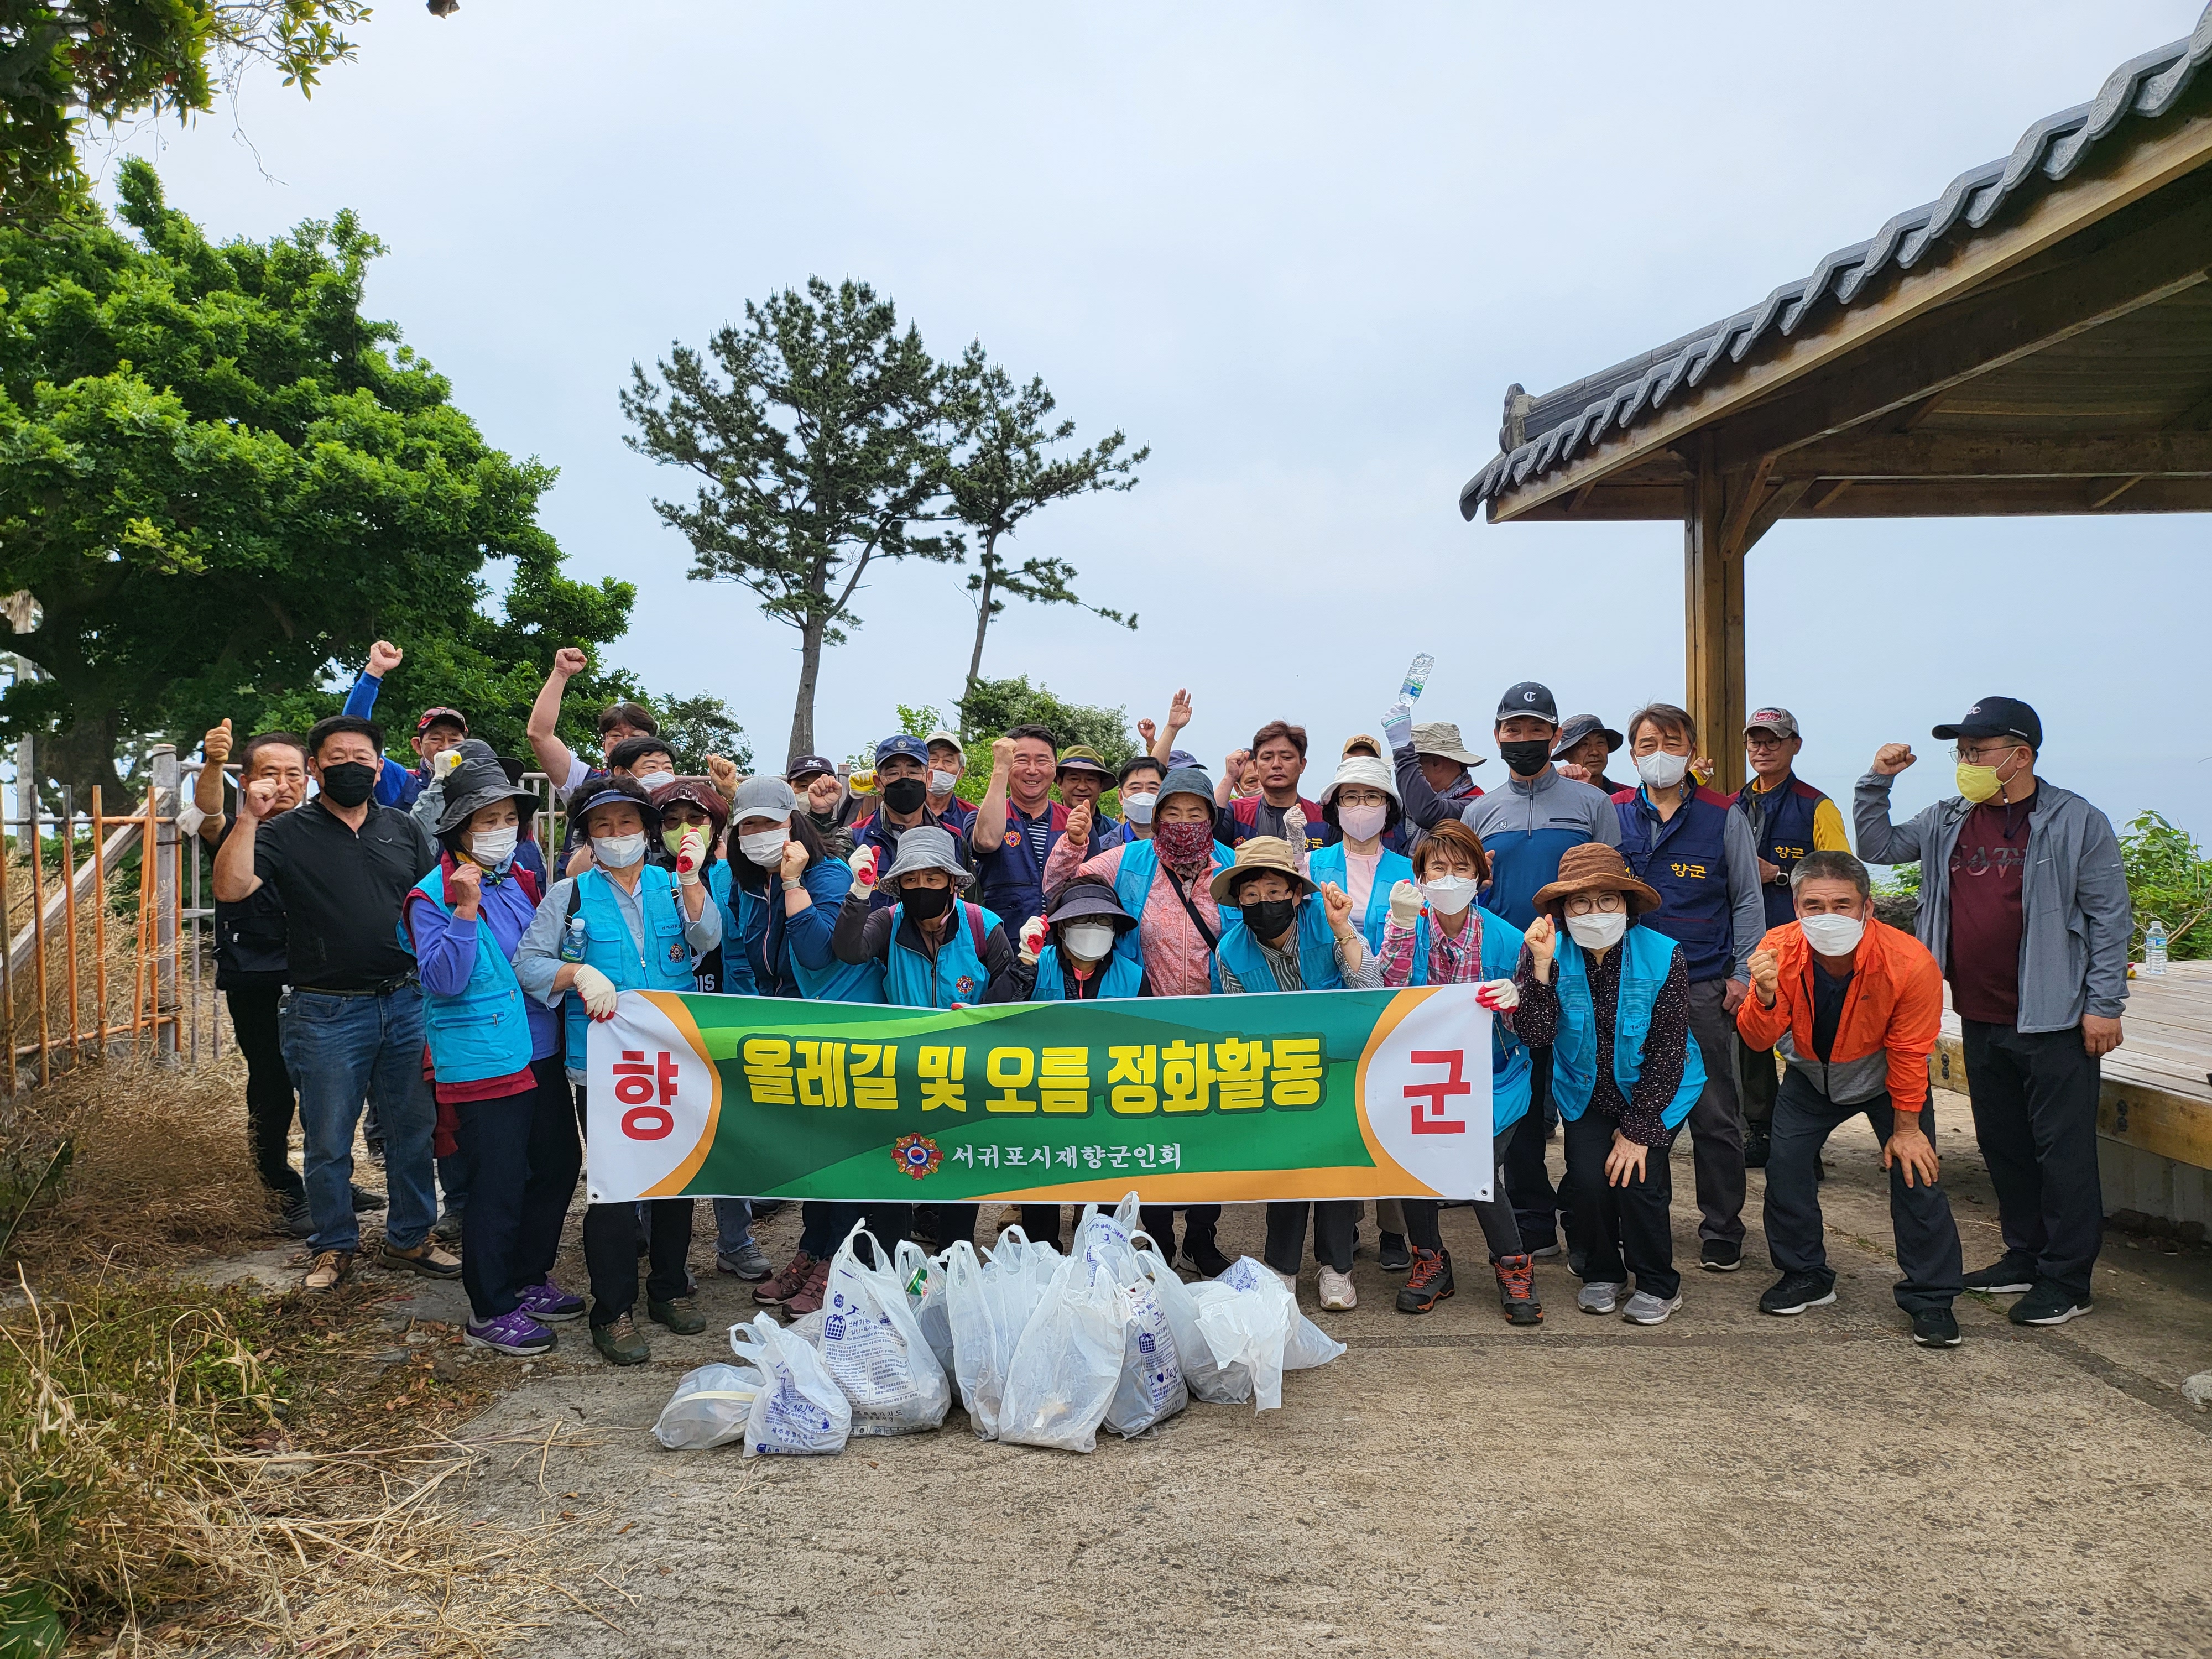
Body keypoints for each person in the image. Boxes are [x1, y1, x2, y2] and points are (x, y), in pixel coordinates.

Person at [1855, 697, 2129, 1328]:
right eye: (1961, 751)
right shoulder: (1950, 817)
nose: (1966, 762)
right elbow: (1878, 846)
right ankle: (2023, 1255)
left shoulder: (2075, 820)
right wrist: (1877, 782)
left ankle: (2067, 1278)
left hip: (2055, 1016)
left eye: (1977, 751)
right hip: (1979, 1012)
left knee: (2061, 1153)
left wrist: (2104, 1005)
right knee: (2004, 1144)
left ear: (2020, 755)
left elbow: (2110, 918)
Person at [211, 714, 458, 1293]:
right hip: (325, 1011)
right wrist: (247, 817)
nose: (351, 766)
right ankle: (332, 1247)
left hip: (404, 1002)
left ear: (380, 765)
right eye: (337, 758)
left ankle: (411, 1237)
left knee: (412, 1131)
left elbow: (433, 905)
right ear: (317, 769)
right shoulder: (284, 832)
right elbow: (230, 888)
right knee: (327, 1139)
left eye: (362, 757)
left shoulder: (402, 829)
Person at [1389, 680, 1619, 1262]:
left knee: (1581, 1097)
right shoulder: (1481, 808)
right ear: (1497, 736)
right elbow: (1463, 880)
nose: (1522, 739)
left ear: (1554, 735)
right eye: (1512, 730)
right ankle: (1533, 1226)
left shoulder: (1592, 804)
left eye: (1535, 730)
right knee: (1520, 1106)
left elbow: (1611, 883)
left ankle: (1594, 1219)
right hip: (1506, 976)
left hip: (1580, 966)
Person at [513, 777, 721, 1365]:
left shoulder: (671, 885)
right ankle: (614, 1310)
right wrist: (576, 975)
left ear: (647, 831)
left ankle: (670, 1288)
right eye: (602, 827)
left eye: (627, 825)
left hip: (676, 1055)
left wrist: (690, 882)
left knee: (678, 1178)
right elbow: (528, 962)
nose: (616, 836)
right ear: (588, 837)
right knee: (615, 1186)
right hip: (603, 1067)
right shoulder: (570, 896)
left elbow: (709, 940)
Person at [1736, 851, 1965, 1347]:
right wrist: (1767, 994)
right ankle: (1805, 1275)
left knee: (1915, 1173)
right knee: (1786, 1168)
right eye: (1813, 905)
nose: (1828, 916)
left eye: (1842, 904)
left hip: (1884, 1077)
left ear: (1868, 909)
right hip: (1809, 1077)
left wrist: (1907, 1130)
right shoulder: (1777, 947)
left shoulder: (1910, 963)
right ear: (1795, 907)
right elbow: (1756, 1040)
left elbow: (1910, 1052)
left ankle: (1932, 1298)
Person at [401, 744, 584, 1356]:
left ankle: (529, 1277)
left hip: (540, 1048)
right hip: (485, 1060)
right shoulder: (431, 896)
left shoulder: (521, 879)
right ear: (458, 829)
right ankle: (490, 1304)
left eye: (510, 819)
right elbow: (444, 980)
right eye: (488, 821)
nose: (503, 831)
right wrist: (464, 909)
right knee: (499, 1182)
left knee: (555, 1169)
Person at [1036, 765, 1235, 1274]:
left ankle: (1203, 1235)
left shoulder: (1232, 866)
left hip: (1219, 1026)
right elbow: (1061, 892)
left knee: (1210, 1139)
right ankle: (1161, 1236)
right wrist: (1071, 844)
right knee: (1158, 1139)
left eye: (1196, 814)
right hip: (1145, 1024)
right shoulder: (1128, 859)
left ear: (1212, 819)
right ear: (1157, 817)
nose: (1184, 822)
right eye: (1173, 813)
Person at [1513, 842, 1704, 1326]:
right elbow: (1535, 1034)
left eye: (1607, 901)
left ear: (1627, 905)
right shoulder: (1545, 951)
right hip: (1585, 1092)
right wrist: (1540, 969)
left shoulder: (1665, 956)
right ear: (1562, 911)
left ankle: (1659, 1282)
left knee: (1639, 1181)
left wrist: (1639, 1129)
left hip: (1658, 1089)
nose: (1594, 913)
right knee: (1590, 1182)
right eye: (1580, 903)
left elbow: (1668, 1049)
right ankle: (1602, 1272)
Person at [728, 776, 896, 1317]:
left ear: (793, 824)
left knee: (843, 1159)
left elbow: (820, 952)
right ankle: (813, 1249)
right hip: (793, 1041)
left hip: (844, 1039)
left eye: (769, 823)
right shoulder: (750, 887)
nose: (758, 835)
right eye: (747, 826)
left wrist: (795, 881)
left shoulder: (824, 875)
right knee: (815, 1161)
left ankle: (838, 1265)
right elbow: (751, 961)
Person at [187, 722, 358, 1238]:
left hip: (320, 979)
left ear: (310, 776)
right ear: (247, 779)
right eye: (269, 774)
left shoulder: (319, 829)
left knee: (328, 1089)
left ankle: (329, 1184)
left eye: (292, 773)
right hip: (257, 979)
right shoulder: (238, 829)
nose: (282, 785)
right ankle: (277, 1186)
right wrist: (214, 764)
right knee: (272, 1083)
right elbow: (208, 813)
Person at [1613, 702, 1766, 1275]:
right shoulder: (1615, 814)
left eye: (1671, 742)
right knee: (1631, 1107)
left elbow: (1747, 900)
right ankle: (1637, 1222)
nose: (1659, 754)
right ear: (1633, 753)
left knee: (1714, 1115)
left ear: (1690, 749)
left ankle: (1722, 1228)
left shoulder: (1724, 816)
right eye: (1648, 744)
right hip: (1629, 989)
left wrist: (1741, 974)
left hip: (1702, 986)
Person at [1374, 821, 1541, 1324]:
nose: (1449, 879)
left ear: (1480, 877)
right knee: (1415, 1165)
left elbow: (1534, 1021)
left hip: (1494, 1078)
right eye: (1437, 869)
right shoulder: (1405, 922)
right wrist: (1402, 930)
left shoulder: (1509, 939)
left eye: (1461, 869)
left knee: (1476, 1168)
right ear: (1420, 878)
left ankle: (1513, 1263)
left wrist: (1517, 999)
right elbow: (1385, 993)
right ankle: (1429, 1259)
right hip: (1420, 1077)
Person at [1212, 837, 1381, 1310]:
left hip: (1342, 1069)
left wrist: (1343, 928)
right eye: (1250, 895)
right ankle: (1282, 1268)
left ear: (1295, 893)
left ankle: (1336, 1268)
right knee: (1286, 1171)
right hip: (1278, 1074)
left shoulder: (1330, 924)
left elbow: (1370, 988)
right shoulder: (1230, 951)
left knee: (1336, 1171)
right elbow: (1234, 1025)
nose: (1263, 902)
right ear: (1238, 901)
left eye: (1273, 890)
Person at [832, 826, 1019, 1253]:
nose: (922, 888)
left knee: (961, 1162)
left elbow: (1011, 989)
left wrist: (980, 1014)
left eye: (933, 879)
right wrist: (858, 893)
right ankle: (893, 1257)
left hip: (967, 1068)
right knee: (900, 1163)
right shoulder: (888, 921)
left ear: (952, 882)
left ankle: (957, 1254)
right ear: (898, 885)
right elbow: (850, 950)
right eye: (911, 880)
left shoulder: (982, 926)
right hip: (904, 1068)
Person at [985, 878, 1145, 1251]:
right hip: (1044, 1101)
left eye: (1102, 921)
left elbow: (1148, 1037)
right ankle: (1044, 1255)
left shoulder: (1132, 975)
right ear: (1060, 928)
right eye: (1081, 920)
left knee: (1106, 1186)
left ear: (1115, 929)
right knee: (1044, 1184)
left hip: (1108, 1103)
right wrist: (1024, 962)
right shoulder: (1036, 961)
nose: (1093, 929)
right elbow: (992, 1016)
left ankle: (1103, 1257)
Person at [1733, 706, 1852, 1168]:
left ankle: (1808, 1137)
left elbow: (1843, 875)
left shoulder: (1817, 805)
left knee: (1806, 1036)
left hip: (1804, 944)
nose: (1762, 749)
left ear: (1795, 745)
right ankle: (1760, 1129)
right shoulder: (1733, 804)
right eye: (1755, 742)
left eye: (1773, 741)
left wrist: (1780, 874)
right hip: (1747, 943)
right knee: (1751, 1038)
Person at [971, 724, 1101, 928]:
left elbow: (1095, 886)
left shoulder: (1076, 821)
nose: (1032, 770)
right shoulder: (981, 818)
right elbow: (986, 841)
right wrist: (1000, 768)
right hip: (1000, 943)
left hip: (1062, 945)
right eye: (1021, 760)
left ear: (1055, 766)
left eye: (1042, 761)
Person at [523, 645, 661, 801]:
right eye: (616, 736)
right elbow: (539, 735)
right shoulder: (583, 781)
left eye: (636, 736)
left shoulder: (669, 791)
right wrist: (561, 674)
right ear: (604, 746)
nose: (626, 742)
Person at [851, 734, 972, 911]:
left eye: (914, 772)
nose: (904, 780)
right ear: (878, 782)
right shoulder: (854, 838)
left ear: (929, 778)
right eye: (893, 773)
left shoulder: (953, 839)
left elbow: (970, 908)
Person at [1307, 755, 1413, 950]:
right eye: (1351, 797)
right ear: (1337, 808)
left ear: (1387, 808)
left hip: (1390, 980)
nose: (1361, 806)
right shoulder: (1310, 865)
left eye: (1373, 796)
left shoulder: (1412, 873)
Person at [1215, 721, 1332, 852]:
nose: (1276, 764)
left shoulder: (1324, 819)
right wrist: (1229, 777)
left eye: (1286, 757)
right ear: (1256, 767)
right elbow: (1206, 835)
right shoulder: (1237, 812)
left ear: (1302, 765)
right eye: (1267, 758)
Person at [1380, 716, 1487, 831]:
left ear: (1435, 763)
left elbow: (1428, 814)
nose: (1405, 778)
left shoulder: (1476, 806)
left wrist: (1403, 752)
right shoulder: (1407, 812)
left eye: (1411, 767)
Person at [786, 755, 857, 861]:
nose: (812, 792)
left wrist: (821, 812)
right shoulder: (774, 828)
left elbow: (833, 863)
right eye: (803, 786)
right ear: (788, 788)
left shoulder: (845, 836)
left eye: (822, 788)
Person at [1551, 714, 1626, 796]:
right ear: (1566, 754)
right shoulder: (1553, 796)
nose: (1594, 752)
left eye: (1600, 743)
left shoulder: (1630, 800)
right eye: (1584, 744)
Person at [923, 729, 976, 836]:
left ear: (961, 772)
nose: (939, 767)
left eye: (948, 761)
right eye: (933, 759)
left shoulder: (973, 816)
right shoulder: (905, 813)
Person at [1108, 752, 1165, 845]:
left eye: (1153, 789)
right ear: (1121, 797)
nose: (1144, 795)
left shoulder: (1181, 847)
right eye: (1135, 788)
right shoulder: (1102, 847)